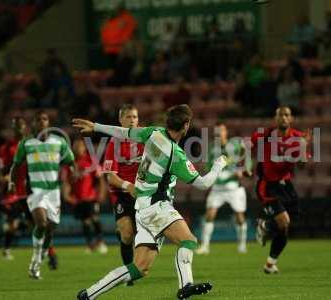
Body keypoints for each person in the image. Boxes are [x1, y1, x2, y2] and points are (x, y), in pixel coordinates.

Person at [73, 104, 227, 300]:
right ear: (186, 125)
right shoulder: (175, 154)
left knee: (139, 268)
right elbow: (204, 183)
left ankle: (89, 294)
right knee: (188, 241)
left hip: (142, 207)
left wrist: (96, 126)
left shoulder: (153, 132)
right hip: (157, 206)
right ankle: (185, 285)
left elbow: (124, 132)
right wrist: (219, 164)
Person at [9, 111, 75, 279]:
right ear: (34, 124)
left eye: (44, 119)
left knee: (51, 228)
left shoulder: (59, 142)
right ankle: (36, 260)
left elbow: (70, 162)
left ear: (48, 123)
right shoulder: (26, 143)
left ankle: (43, 251)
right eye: (38, 120)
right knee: (42, 223)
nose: (41, 122)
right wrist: (12, 183)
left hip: (53, 191)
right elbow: (16, 165)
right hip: (35, 190)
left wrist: (72, 173)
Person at [251, 106, 311, 274]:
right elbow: (247, 146)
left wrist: (303, 147)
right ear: (275, 118)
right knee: (284, 221)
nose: (284, 118)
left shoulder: (298, 138)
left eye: (287, 115)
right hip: (268, 185)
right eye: (280, 115)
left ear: (291, 119)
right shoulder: (266, 135)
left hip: (286, 185)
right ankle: (264, 224)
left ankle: (270, 264)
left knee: (285, 227)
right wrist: (247, 165)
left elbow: (302, 165)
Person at [102, 104, 144, 285]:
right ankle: (129, 274)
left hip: (142, 192)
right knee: (127, 234)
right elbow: (110, 176)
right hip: (121, 192)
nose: (132, 120)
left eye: (134, 117)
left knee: (141, 234)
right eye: (128, 117)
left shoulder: (146, 138)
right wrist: (128, 186)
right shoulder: (114, 143)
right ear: (120, 121)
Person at [196, 122, 251, 255]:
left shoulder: (236, 146)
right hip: (218, 188)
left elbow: (247, 159)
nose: (219, 133)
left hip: (233, 187)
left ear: (226, 132)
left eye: (221, 130)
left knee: (240, 217)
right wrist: (214, 172)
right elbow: (207, 167)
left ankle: (242, 245)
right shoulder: (212, 149)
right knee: (209, 215)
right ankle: (205, 246)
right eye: (217, 131)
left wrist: (243, 170)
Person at [63, 138, 107, 254]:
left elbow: (100, 178)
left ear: (84, 147)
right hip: (78, 199)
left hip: (91, 197)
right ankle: (90, 245)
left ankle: (101, 242)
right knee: (85, 222)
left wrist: (102, 193)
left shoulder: (91, 160)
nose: (78, 148)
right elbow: (67, 182)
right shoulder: (70, 164)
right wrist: (66, 194)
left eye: (80, 146)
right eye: (76, 146)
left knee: (95, 218)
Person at [0, 117, 30, 260]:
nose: (19, 129)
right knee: (13, 223)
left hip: (31, 189)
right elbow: (2, 173)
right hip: (14, 191)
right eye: (16, 126)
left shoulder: (31, 145)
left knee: (35, 221)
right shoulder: (6, 148)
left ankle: (45, 250)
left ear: (25, 127)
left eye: (21, 126)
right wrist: (7, 180)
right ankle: (6, 248)